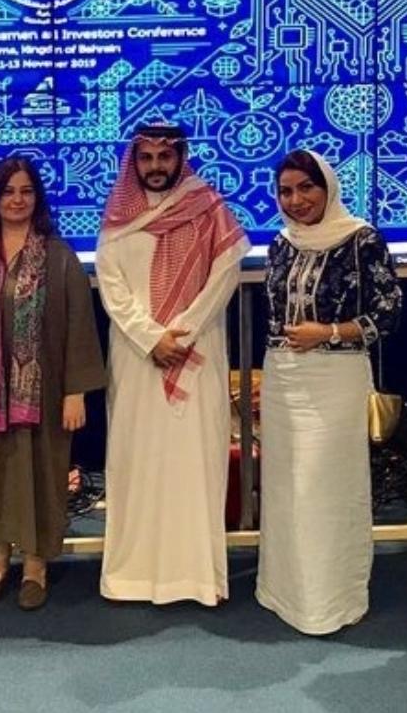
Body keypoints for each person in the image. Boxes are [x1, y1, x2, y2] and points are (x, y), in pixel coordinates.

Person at [95, 122, 249, 606]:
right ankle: (132, 578)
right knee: (137, 463)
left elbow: (225, 274)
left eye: (164, 157)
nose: (156, 166)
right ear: (134, 162)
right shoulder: (117, 218)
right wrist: (150, 338)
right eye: (146, 158)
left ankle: (195, 578)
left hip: (195, 354)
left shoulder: (209, 208)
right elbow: (111, 286)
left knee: (194, 464)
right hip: (136, 358)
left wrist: (180, 333)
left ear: (180, 157)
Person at [0, 156, 105, 610]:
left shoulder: (59, 257)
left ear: (38, 198)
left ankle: (35, 567)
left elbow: (79, 324)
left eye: (26, 191)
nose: (17, 200)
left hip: (43, 395)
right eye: (8, 191)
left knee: (39, 476)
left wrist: (76, 391)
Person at [256, 149, 401, 635]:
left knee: (325, 488)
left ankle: (328, 602)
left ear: (327, 188)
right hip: (282, 378)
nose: (295, 200)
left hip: (336, 379)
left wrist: (330, 332)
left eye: (306, 188)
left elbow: (389, 313)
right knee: (286, 489)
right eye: (285, 191)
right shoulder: (281, 243)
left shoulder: (361, 239)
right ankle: (285, 593)